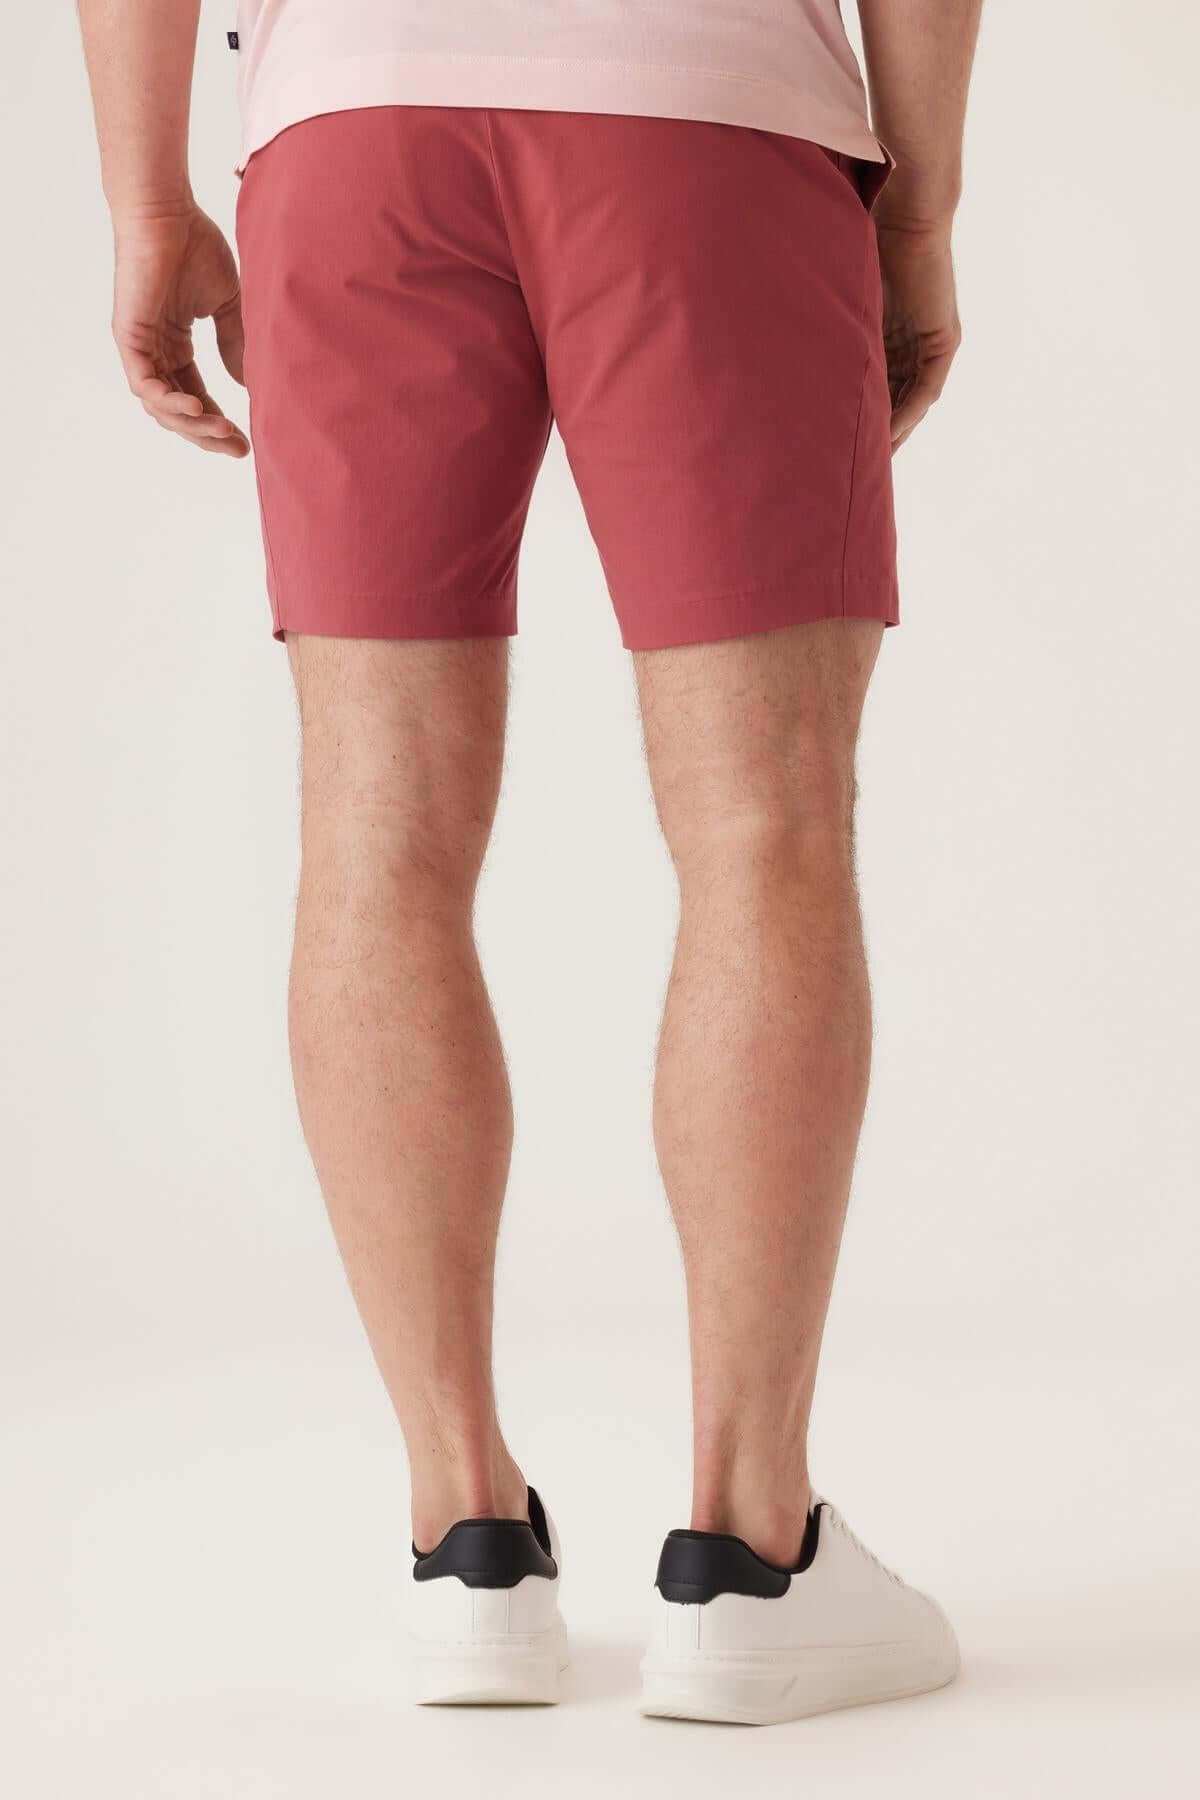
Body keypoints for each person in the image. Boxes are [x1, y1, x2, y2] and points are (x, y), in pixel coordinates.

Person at [78, 0, 980, 1725]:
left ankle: (465, 1546)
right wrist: (920, 208)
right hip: (708, 110)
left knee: (375, 831)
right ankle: (750, 1561)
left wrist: (144, 201)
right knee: (764, 825)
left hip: (352, 125)